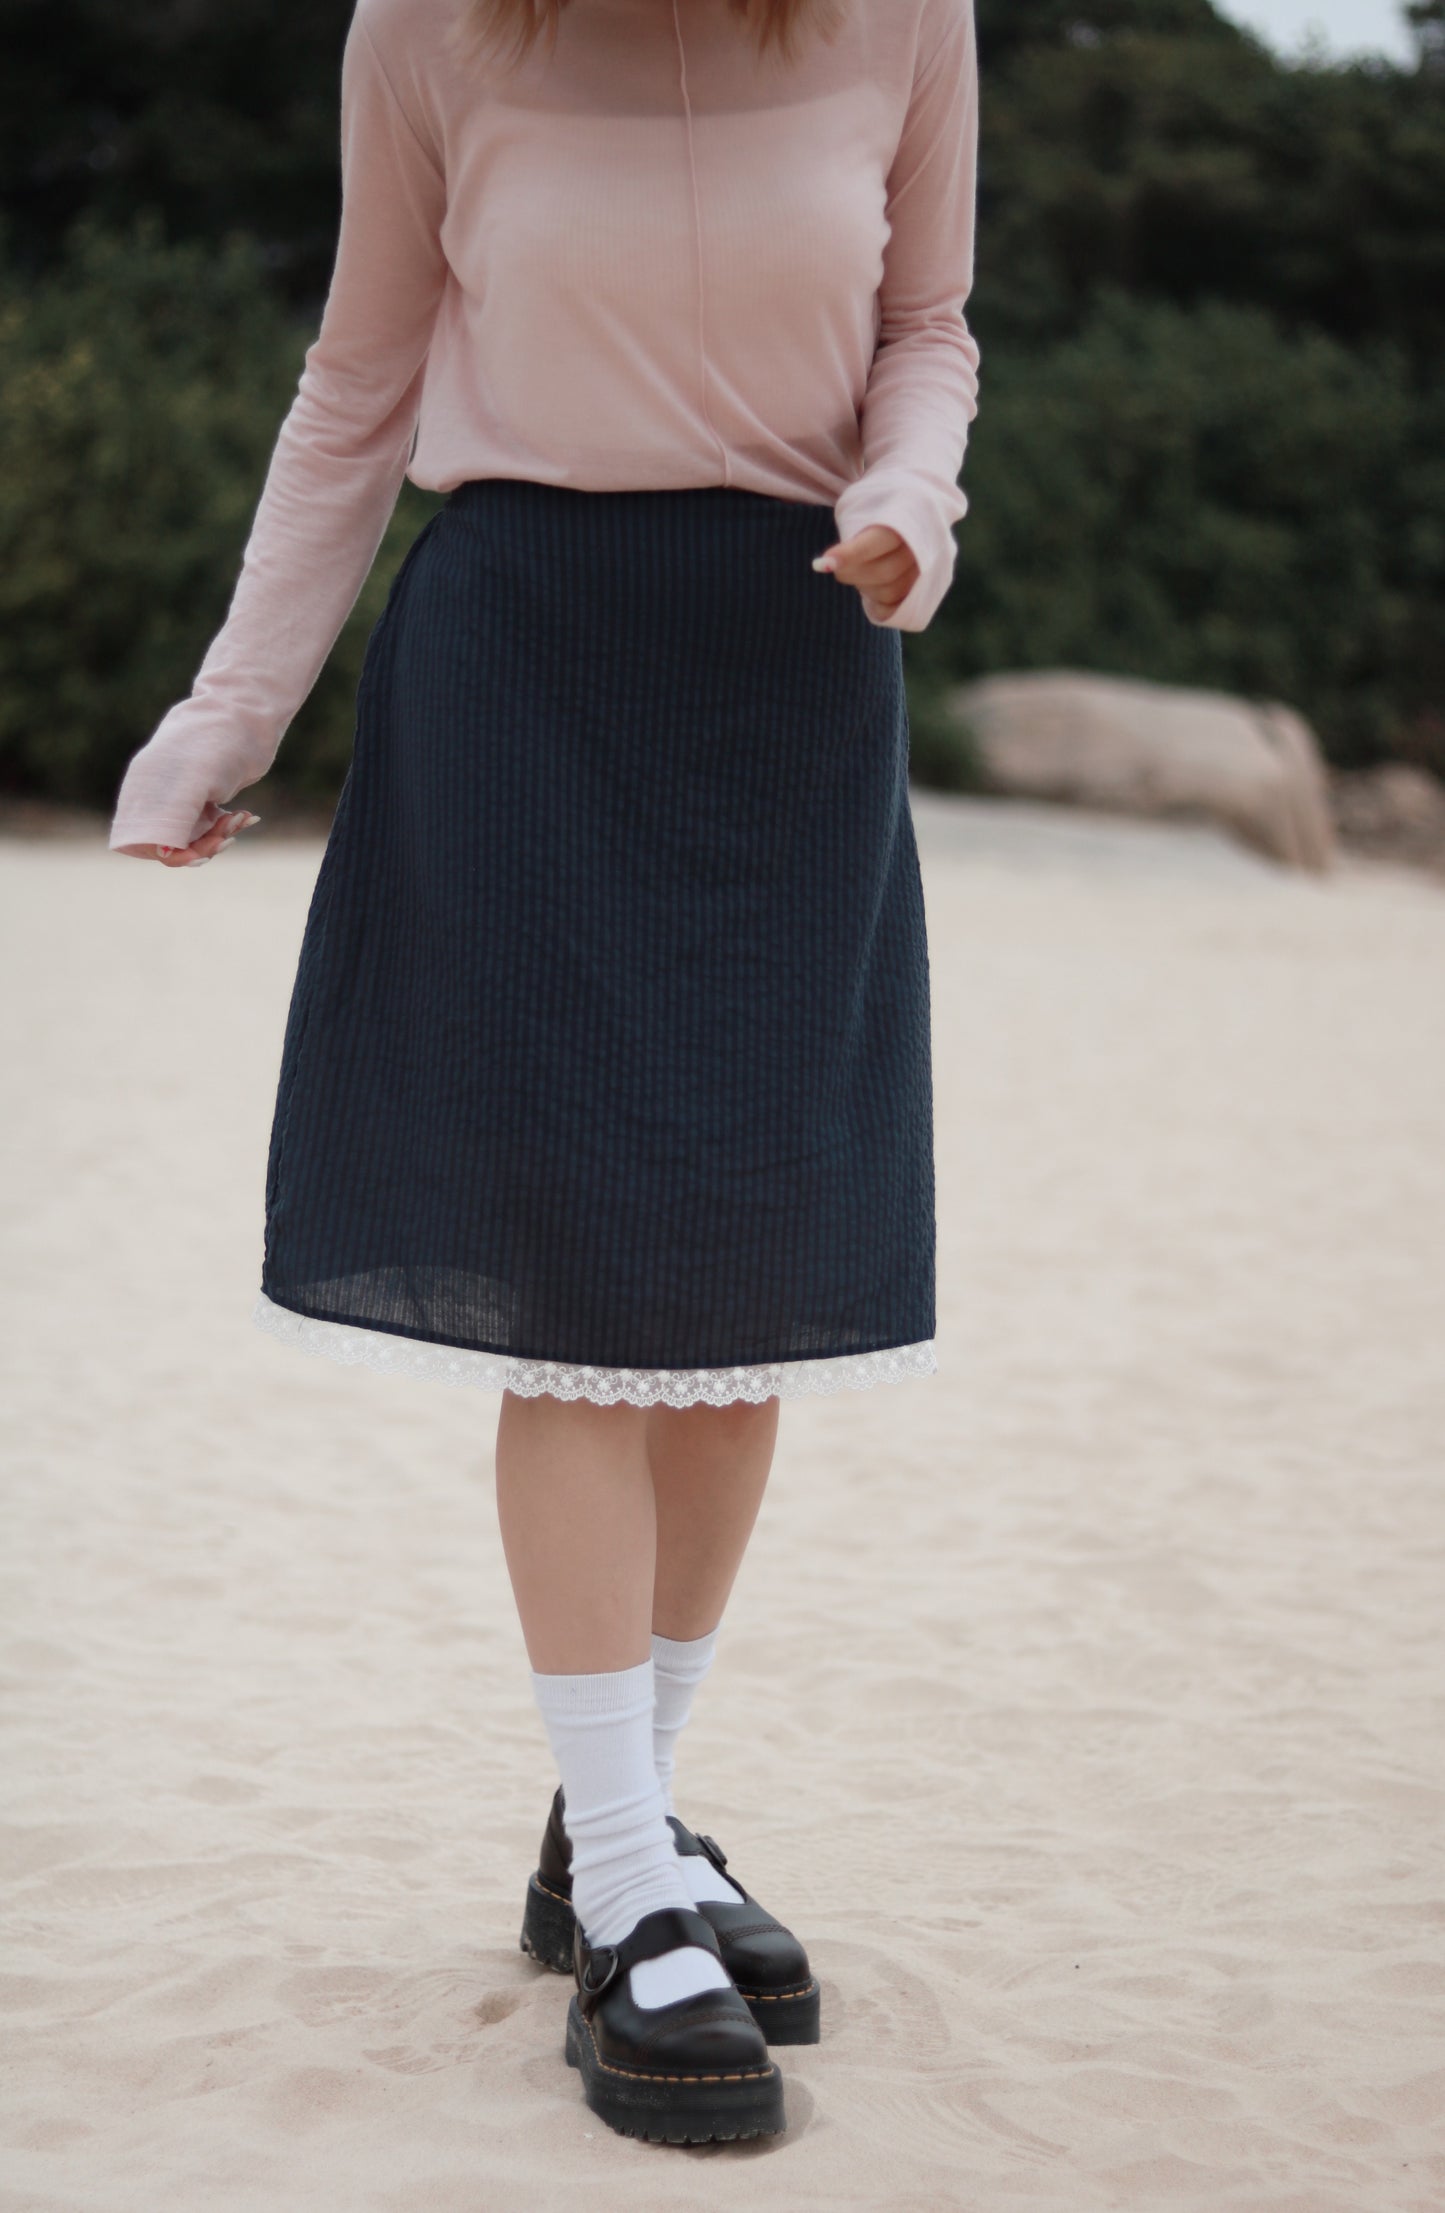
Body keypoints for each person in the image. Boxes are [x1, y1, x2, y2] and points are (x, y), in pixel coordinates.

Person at [106, 0, 980, 2148]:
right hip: (528, 676)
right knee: (584, 1304)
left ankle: (617, 1828)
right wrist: (230, 716)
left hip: (795, 671)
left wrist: (908, 499)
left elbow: (930, 327)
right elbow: (355, 386)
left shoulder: (909, 15)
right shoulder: (425, 29)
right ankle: (626, 1873)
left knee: (752, 1299)